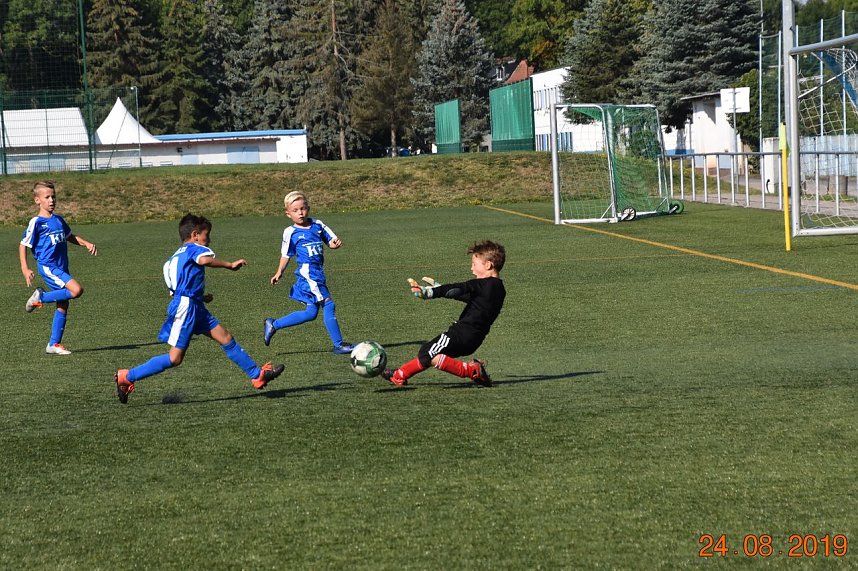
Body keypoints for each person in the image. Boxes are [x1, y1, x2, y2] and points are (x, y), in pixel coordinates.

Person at [114, 214, 284, 403]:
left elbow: (176, 289)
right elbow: (204, 261)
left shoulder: (172, 260)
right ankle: (127, 376)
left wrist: (201, 297)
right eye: (206, 235)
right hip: (187, 308)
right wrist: (230, 265)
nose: (208, 240)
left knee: (226, 337)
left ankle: (256, 375)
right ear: (195, 235)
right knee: (175, 358)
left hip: (194, 305)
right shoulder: (194, 249)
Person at [382, 240, 506, 387]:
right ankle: (399, 375)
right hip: (474, 339)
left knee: (428, 351)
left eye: (474, 264)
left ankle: (471, 371)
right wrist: (442, 289)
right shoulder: (498, 289)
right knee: (432, 354)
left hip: (460, 334)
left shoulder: (482, 284)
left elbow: (458, 288)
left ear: (488, 265)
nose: (471, 268)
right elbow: (468, 297)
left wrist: (431, 292)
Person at [263, 191, 355, 354]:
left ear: (308, 208)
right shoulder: (290, 232)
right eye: (295, 210)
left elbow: (331, 240)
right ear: (288, 214)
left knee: (311, 312)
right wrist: (279, 272)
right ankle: (339, 344)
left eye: (303, 208)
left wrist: (334, 244)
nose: (300, 213)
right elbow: (286, 254)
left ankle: (273, 324)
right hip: (308, 274)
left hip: (318, 273)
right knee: (328, 303)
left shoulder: (318, 225)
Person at [19, 180, 98, 355]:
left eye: (53, 196)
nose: (51, 200)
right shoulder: (36, 222)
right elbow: (23, 244)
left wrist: (85, 243)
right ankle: (40, 298)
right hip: (49, 267)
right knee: (76, 290)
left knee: (63, 304)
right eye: (47, 197)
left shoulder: (58, 220)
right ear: (37, 200)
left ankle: (54, 344)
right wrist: (25, 268)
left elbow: (70, 236)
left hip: (62, 267)